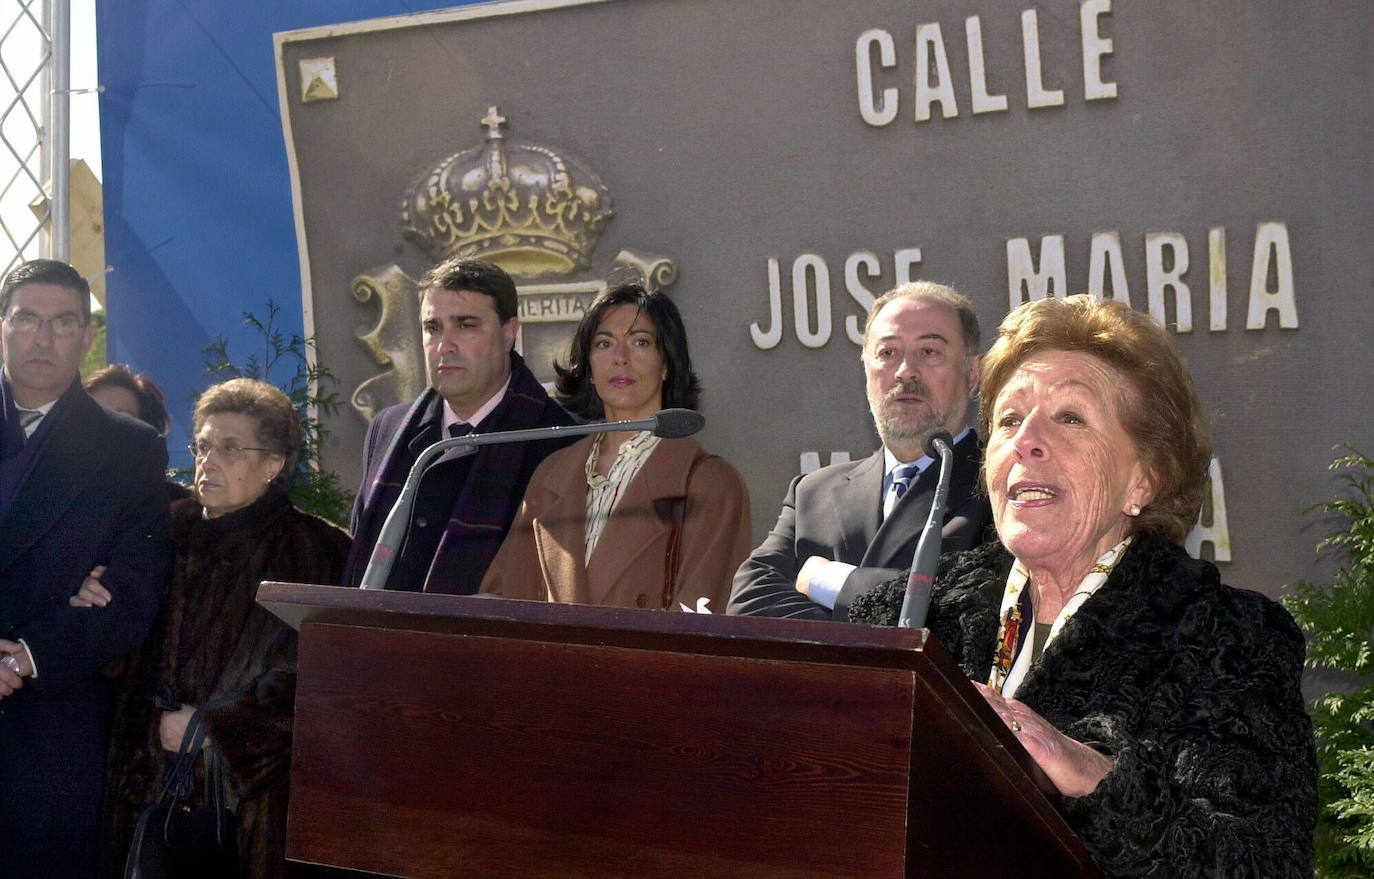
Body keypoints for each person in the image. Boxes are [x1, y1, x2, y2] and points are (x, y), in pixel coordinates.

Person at [848, 295, 1317, 876]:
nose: (1027, 442)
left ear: (1144, 477)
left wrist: (1090, 776)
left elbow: (1261, 860)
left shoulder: (1225, 638)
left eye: (1070, 418)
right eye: (1010, 420)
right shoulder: (906, 618)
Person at [75, 378, 351, 879]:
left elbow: (324, 682)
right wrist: (94, 597)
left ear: (273, 463)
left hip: (251, 808)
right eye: (202, 445)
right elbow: (115, 651)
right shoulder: (160, 532)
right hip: (145, 793)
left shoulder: (317, 552)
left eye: (229, 448)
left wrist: (217, 728)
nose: (208, 460)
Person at [0, 259, 171, 878]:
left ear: (87, 336)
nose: (42, 339)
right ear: (2, 325)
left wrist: (24, 657)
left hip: (49, 732)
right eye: (26, 319)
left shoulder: (129, 448)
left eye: (63, 322)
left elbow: (132, 591)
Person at [728, 281, 995, 620]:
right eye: (887, 353)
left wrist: (828, 580)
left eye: (929, 352)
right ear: (866, 369)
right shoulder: (813, 493)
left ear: (972, 373)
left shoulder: (999, 485)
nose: (905, 371)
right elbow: (749, 604)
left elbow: (965, 612)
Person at [481, 283, 750, 611]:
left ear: (666, 364)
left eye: (640, 342)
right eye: (604, 343)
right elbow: (503, 606)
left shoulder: (710, 483)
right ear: (589, 367)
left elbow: (703, 630)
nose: (620, 359)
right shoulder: (551, 475)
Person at [344, 257, 577, 593]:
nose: (444, 346)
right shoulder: (389, 428)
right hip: (378, 639)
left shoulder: (561, 441)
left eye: (466, 325)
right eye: (432, 328)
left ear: (510, 333)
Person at [86, 363, 192, 501]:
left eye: (122, 419)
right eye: (96, 416)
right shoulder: (54, 495)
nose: (106, 427)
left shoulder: (176, 508)